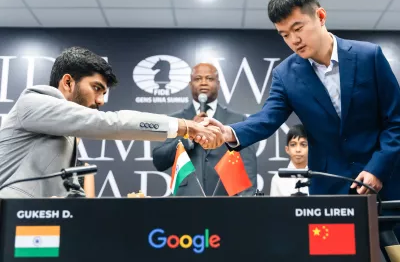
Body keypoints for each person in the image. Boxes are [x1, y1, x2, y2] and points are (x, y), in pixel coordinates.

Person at [206, 0, 400, 201]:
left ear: (321, 16)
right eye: (284, 35)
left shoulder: (369, 56)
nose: (294, 40)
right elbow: (267, 119)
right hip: (329, 187)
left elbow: (395, 121)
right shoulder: (285, 75)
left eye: (298, 28)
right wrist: (227, 133)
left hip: (386, 181)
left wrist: (378, 168)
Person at [0, 47, 223, 198]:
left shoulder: (67, 132)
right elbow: (111, 123)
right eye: (96, 88)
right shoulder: (32, 102)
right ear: (68, 82)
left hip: (37, 231)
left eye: (104, 92)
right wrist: (182, 126)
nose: (100, 100)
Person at [152, 63, 257, 196]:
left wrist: (248, 201)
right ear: (190, 84)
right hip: (185, 198)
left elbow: (248, 165)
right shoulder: (174, 120)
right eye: (197, 79)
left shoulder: (238, 120)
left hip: (227, 198)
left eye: (209, 78)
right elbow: (159, 161)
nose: (203, 83)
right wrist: (188, 135)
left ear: (218, 84)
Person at [270, 124, 308, 196]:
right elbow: (274, 207)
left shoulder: (318, 178)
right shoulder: (277, 179)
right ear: (287, 149)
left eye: (303, 144)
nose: (298, 150)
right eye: (293, 145)